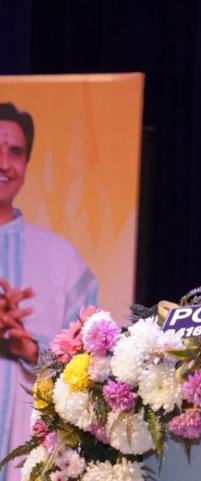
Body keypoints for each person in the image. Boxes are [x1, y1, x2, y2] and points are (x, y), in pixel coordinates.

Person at [0, 102, 98, 481]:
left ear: (26, 164)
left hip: (26, 455)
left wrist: (30, 350)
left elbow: (89, 360)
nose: (4, 163)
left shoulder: (60, 258)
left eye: (15, 152)